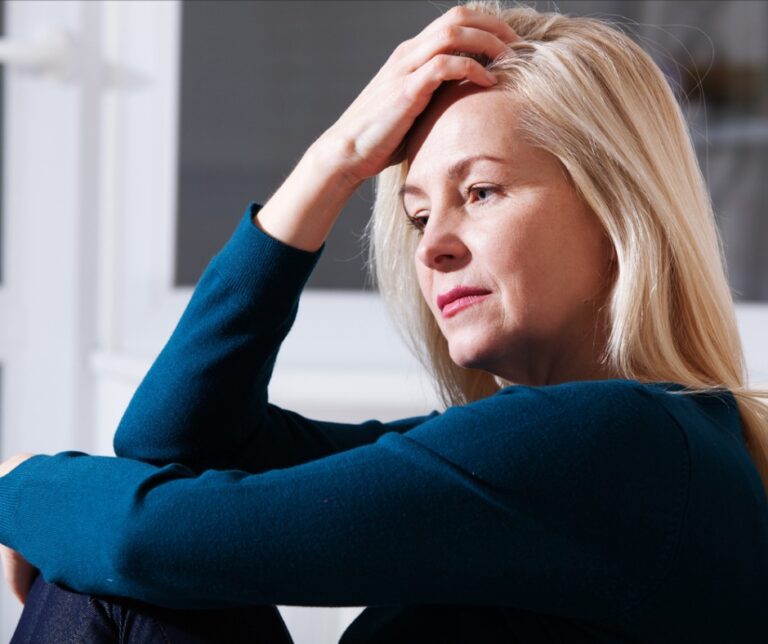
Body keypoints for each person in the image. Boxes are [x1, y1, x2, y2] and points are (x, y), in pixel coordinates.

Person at [1, 0, 767, 642]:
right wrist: (333, 160)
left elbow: (142, 540)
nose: (431, 246)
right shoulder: (620, 449)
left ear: (613, 209)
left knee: (113, 573)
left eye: (482, 193)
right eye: (417, 212)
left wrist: (17, 488)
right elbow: (172, 445)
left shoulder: (615, 446)